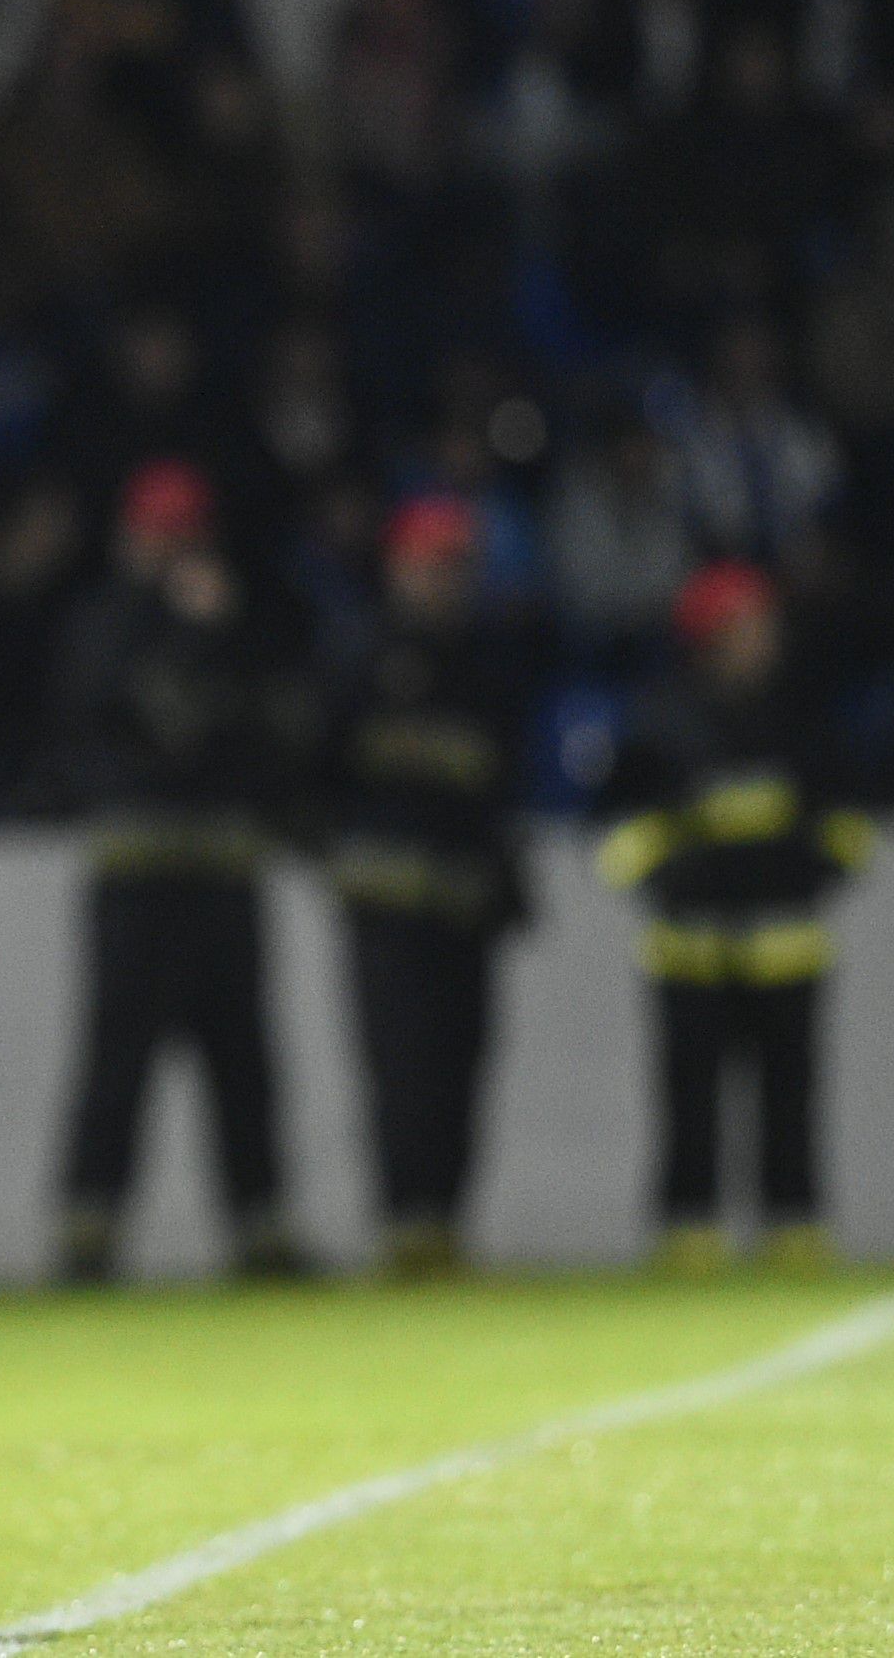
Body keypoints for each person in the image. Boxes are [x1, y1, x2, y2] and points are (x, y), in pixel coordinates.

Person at [48, 460, 312, 1285]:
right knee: (117, 1058)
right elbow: (151, 722)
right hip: (137, 862)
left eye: (185, 535)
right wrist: (204, 637)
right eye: (162, 535)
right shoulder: (105, 624)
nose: (174, 551)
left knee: (242, 1059)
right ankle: (88, 1232)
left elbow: (271, 725)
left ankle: (259, 1227)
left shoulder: (239, 623)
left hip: (222, 861)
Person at [597, 562, 873, 1270]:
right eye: (749, 626)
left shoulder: (801, 720)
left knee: (790, 1098)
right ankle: (687, 1230)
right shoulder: (659, 721)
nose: (764, 639)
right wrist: (673, 876)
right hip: (688, 950)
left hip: (786, 946)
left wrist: (804, 871)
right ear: (710, 638)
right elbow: (618, 832)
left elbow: (847, 829)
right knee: (688, 1101)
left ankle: (794, 1225)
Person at [324, 493, 534, 1278]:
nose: (444, 579)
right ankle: (404, 1218)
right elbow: (323, 767)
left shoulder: (487, 664)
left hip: (461, 902)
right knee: (398, 1068)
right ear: (396, 567)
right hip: (383, 902)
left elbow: (500, 789)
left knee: (461, 1068)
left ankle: (444, 1220)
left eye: (456, 564)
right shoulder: (361, 656)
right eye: (430, 563)